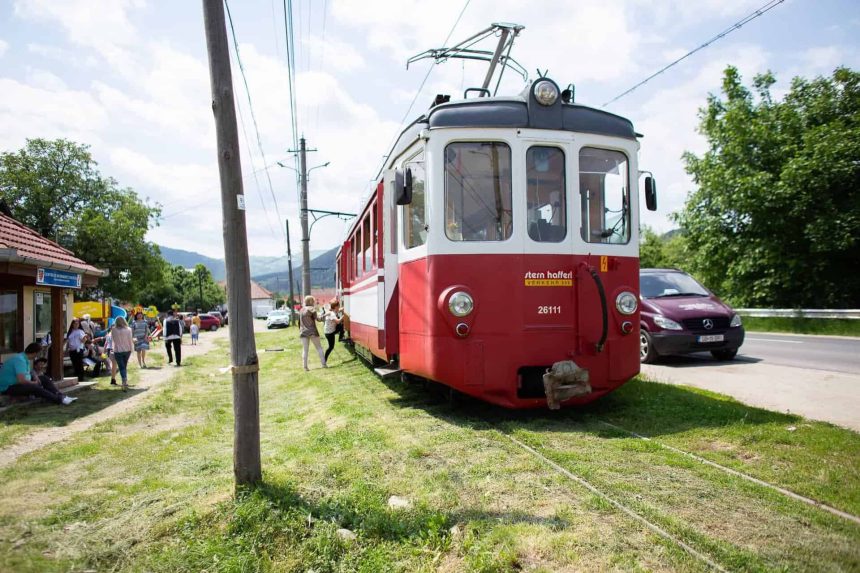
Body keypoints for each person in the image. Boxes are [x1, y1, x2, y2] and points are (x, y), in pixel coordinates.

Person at [0, 343, 76, 405]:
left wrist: (35, 376)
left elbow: (28, 372)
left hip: (18, 383)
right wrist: (33, 382)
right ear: (35, 353)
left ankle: (61, 395)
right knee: (34, 387)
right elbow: (21, 380)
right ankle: (58, 400)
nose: (38, 356)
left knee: (44, 378)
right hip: (8, 387)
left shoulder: (24, 358)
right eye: (39, 354)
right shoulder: (19, 360)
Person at [299, 295, 326, 371]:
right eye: (313, 301)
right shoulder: (312, 309)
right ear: (311, 301)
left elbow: (299, 322)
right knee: (319, 348)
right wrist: (325, 315)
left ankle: (305, 367)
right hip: (312, 331)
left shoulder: (301, 310)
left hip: (303, 332)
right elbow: (318, 319)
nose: (314, 302)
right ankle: (324, 364)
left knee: (305, 350)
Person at [110, 316, 134, 391]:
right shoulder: (129, 329)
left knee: (121, 366)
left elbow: (113, 340)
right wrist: (132, 349)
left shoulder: (113, 330)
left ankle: (124, 380)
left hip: (117, 350)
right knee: (124, 366)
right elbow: (130, 340)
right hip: (127, 349)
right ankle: (124, 380)